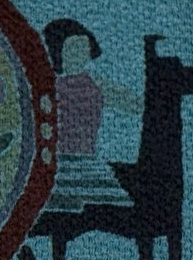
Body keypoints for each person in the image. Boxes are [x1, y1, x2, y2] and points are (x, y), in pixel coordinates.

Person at [42, 19, 141, 212]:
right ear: (58, 52)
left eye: (84, 47)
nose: (81, 54)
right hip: (55, 165)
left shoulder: (96, 86)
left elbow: (136, 105)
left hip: (87, 163)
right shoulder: (48, 89)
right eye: (73, 48)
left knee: (116, 209)